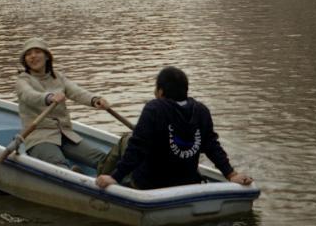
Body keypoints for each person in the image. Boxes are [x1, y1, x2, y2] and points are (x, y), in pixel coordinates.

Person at [96, 66, 253, 190]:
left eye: (155, 88)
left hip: (150, 185)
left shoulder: (154, 108)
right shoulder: (201, 110)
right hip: (188, 183)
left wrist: (115, 177)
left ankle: (102, 176)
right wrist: (231, 174)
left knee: (127, 139)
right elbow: (211, 146)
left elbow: (137, 147)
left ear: (161, 91)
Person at [15, 38, 110, 171]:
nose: (33, 56)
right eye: (28, 54)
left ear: (47, 56)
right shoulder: (22, 81)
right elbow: (29, 95)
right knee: (57, 164)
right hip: (39, 137)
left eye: (37, 52)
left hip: (65, 134)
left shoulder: (58, 77)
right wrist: (49, 98)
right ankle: (75, 177)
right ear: (25, 60)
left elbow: (77, 92)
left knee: (103, 159)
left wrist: (95, 100)